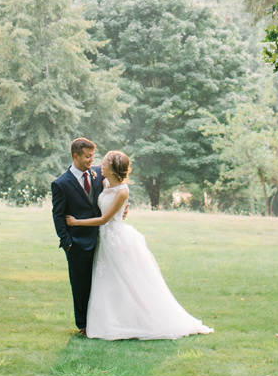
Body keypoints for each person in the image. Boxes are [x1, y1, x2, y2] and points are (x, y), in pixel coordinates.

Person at [65, 150, 213, 340]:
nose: (99, 166)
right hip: (105, 239)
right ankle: (112, 320)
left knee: (126, 280)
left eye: (103, 163)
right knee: (109, 281)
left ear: (111, 167)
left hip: (116, 239)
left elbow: (104, 219)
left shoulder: (122, 191)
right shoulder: (105, 182)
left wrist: (75, 222)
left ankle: (136, 321)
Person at [51, 137, 102, 335]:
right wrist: (67, 243)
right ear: (75, 156)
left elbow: (116, 190)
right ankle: (83, 325)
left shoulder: (98, 173)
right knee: (80, 285)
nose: (91, 160)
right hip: (77, 243)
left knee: (101, 282)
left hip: (101, 239)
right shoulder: (61, 184)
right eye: (87, 157)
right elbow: (57, 215)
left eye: (92, 156)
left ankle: (101, 320)